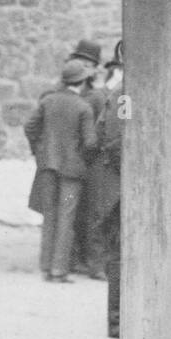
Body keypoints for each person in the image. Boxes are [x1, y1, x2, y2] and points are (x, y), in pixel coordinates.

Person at [26, 58, 98, 282]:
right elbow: (90, 143)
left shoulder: (48, 101)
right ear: (82, 81)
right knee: (66, 218)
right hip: (72, 172)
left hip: (47, 166)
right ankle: (59, 270)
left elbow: (30, 127)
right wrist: (83, 160)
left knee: (49, 215)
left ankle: (46, 266)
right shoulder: (83, 107)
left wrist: (38, 151)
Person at [67, 37, 107, 278]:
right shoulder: (64, 88)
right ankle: (72, 258)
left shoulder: (97, 95)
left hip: (90, 160)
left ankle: (90, 261)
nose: (84, 69)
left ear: (94, 70)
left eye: (89, 66)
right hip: (69, 160)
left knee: (91, 211)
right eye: (80, 63)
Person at [97, 43, 125, 337]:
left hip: (130, 187)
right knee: (120, 255)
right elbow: (115, 144)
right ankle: (117, 321)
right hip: (122, 191)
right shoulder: (121, 95)